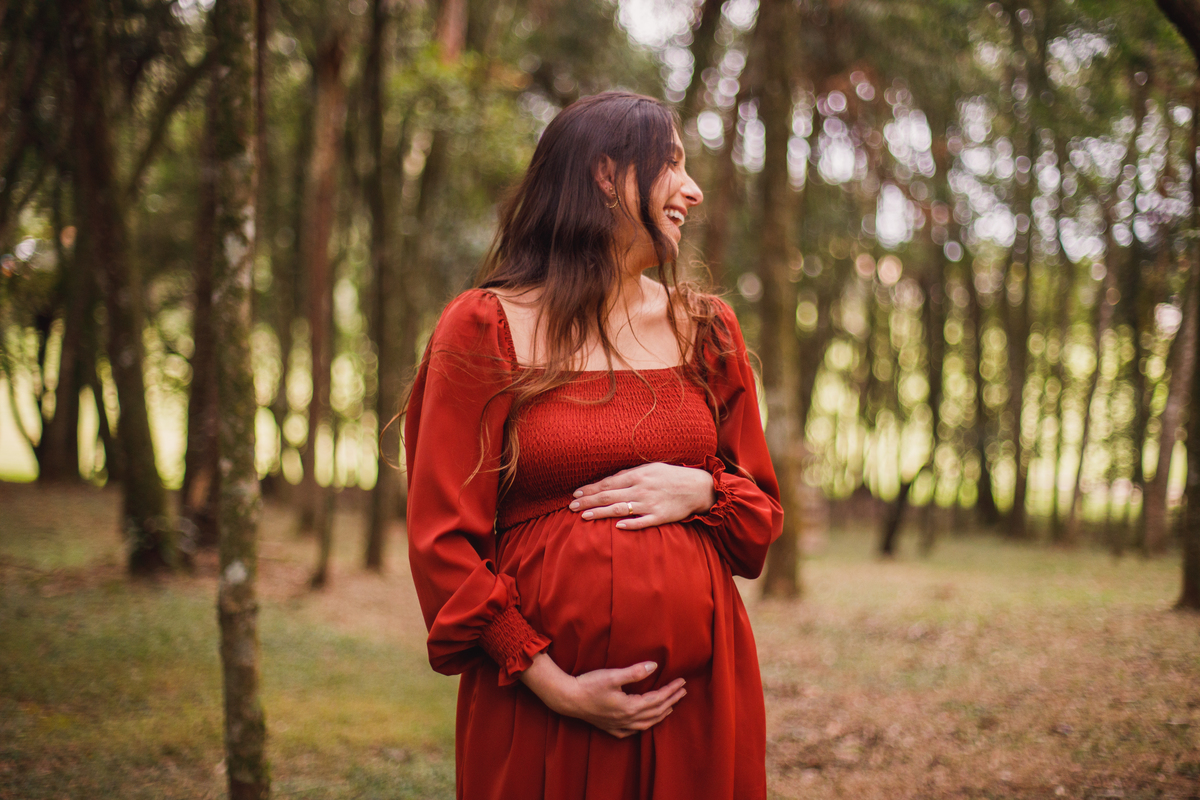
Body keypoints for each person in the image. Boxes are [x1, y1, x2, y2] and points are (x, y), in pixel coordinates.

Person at [403, 90, 783, 800]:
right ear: (607, 175)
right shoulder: (482, 327)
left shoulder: (708, 330)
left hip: (696, 705)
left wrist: (701, 489)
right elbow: (442, 540)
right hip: (540, 708)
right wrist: (553, 682)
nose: (693, 190)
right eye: (670, 164)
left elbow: (760, 519)